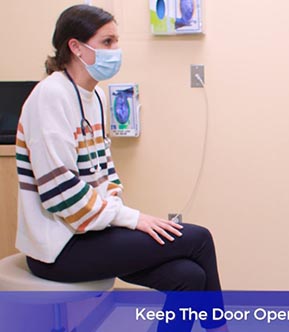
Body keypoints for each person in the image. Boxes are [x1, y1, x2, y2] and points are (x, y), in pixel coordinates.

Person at [15, 5, 227, 332]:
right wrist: (132, 219)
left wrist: (118, 213)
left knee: (189, 277)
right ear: (76, 47)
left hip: (92, 232)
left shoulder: (94, 97)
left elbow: (106, 174)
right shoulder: (50, 97)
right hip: (57, 248)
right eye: (108, 42)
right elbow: (61, 195)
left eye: (117, 41)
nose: (117, 51)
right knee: (198, 239)